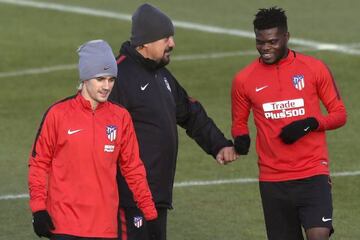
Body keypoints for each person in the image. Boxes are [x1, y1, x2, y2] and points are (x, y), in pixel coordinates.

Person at [108, 3, 237, 240]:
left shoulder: (161, 75)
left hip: (157, 196)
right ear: (145, 42)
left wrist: (218, 144)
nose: (172, 44)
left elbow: (190, 113)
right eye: (166, 38)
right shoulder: (118, 78)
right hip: (128, 199)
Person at [231, 7, 347, 240]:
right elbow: (239, 122)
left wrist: (311, 123)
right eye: (260, 42)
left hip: (313, 174)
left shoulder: (314, 69)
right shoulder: (243, 80)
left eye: (272, 42)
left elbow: (339, 114)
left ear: (287, 37)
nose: (265, 48)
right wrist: (241, 139)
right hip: (273, 181)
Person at [28, 40, 157, 240]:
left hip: (104, 227)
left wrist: (149, 213)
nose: (107, 86)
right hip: (64, 225)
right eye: (100, 79)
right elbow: (39, 164)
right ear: (85, 78)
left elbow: (133, 168)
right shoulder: (58, 114)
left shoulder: (120, 117)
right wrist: (38, 209)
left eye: (111, 79)